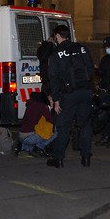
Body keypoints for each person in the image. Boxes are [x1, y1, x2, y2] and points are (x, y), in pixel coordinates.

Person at [46, 25, 94, 168]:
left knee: (63, 127)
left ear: (58, 36)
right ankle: (86, 157)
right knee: (85, 125)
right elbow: (91, 69)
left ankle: (58, 158)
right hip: (86, 91)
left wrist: (56, 100)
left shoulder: (56, 54)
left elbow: (54, 79)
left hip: (68, 94)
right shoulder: (82, 49)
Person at [16, 91, 56, 157]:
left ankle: (25, 148)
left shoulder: (31, 105)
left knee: (37, 131)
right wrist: (51, 107)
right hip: (29, 136)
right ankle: (39, 147)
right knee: (56, 132)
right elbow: (50, 121)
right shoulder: (42, 106)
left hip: (21, 135)